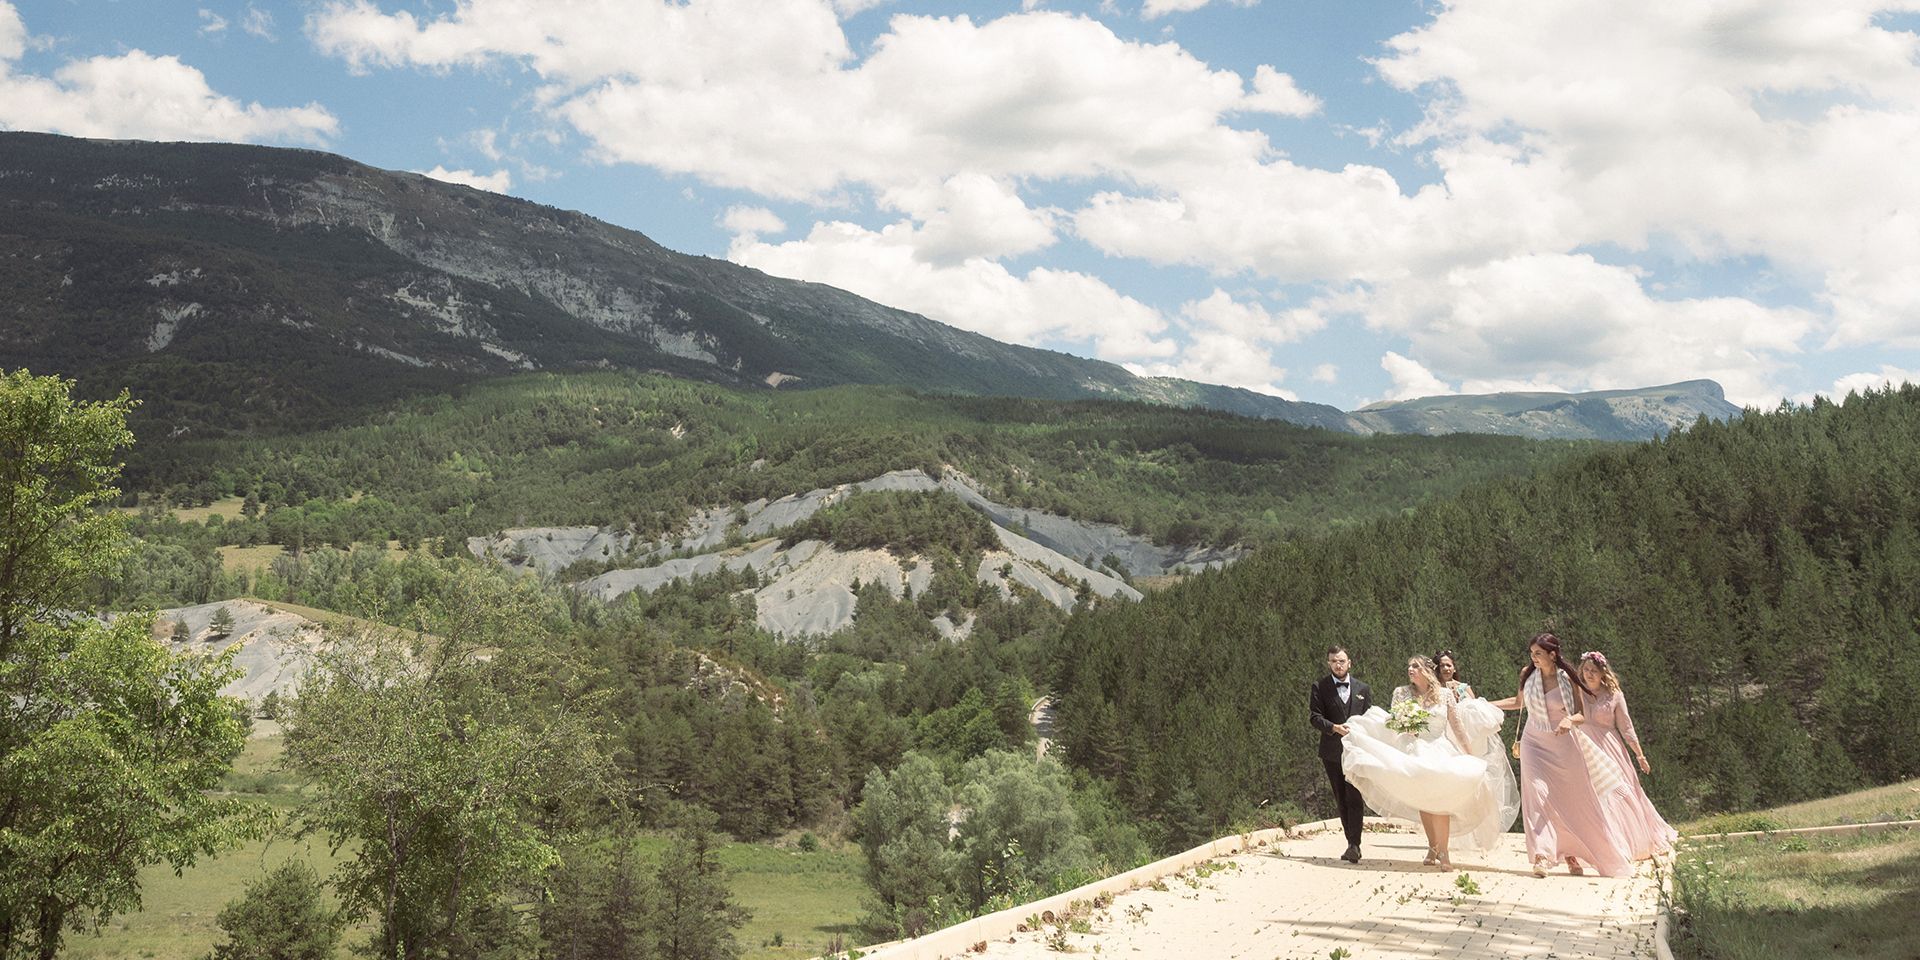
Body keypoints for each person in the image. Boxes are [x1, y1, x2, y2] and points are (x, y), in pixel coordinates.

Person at [1341, 656, 1515, 868]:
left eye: (1415, 666)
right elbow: (1393, 722)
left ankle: (1444, 853)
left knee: (1440, 801)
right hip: (1414, 750)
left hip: (1440, 749)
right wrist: (1406, 726)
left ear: (1428, 670)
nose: (1410, 670)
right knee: (1425, 799)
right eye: (1408, 666)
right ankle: (1433, 847)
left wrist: (1470, 755)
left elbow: (1458, 728)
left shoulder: (1445, 695)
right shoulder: (1401, 693)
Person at [1491, 633, 1634, 878]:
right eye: (1532, 653)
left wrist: (1569, 720)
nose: (1533, 658)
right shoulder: (1528, 674)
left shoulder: (1568, 678)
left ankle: (1572, 853)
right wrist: (1486, 704)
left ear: (1552, 655)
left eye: (1538, 653)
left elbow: (1581, 714)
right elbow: (1518, 702)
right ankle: (1542, 856)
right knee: (1537, 795)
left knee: (1572, 801)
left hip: (1564, 744)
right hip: (1534, 742)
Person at [1578, 651, 1678, 859]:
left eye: (1593, 671)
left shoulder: (1615, 695)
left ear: (1603, 673)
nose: (1589, 674)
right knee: (1591, 795)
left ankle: (1630, 840)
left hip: (1609, 748)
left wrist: (1640, 755)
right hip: (1585, 748)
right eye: (1586, 670)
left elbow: (1627, 728)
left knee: (1620, 793)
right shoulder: (1577, 691)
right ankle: (1600, 843)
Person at [1308, 646, 1372, 863]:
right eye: (1334, 661)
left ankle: (1355, 844)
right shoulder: (1320, 687)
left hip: (1357, 751)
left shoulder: (1363, 688)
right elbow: (1314, 717)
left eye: (1342, 661)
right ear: (1329, 663)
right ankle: (1350, 842)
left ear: (1349, 663)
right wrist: (1334, 727)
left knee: (1355, 795)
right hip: (1332, 752)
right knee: (1341, 797)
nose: (1338, 664)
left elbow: (1370, 718)